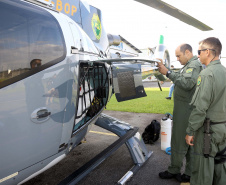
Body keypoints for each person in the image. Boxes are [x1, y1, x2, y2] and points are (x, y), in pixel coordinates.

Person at [157, 44, 203, 182]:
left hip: (185, 112)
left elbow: (187, 83)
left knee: (178, 141)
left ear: (187, 52)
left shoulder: (193, 66)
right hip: (186, 110)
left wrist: (168, 73)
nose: (177, 59)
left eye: (178, 56)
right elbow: (182, 78)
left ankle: (175, 170)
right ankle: (188, 172)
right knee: (189, 144)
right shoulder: (190, 65)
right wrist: (169, 72)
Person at [185, 37, 226, 185]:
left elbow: (200, 108)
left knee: (202, 172)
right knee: (221, 167)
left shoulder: (207, 74)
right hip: (223, 129)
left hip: (209, 131)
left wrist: (190, 131)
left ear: (207, 52)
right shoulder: (224, 71)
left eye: (199, 51)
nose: (198, 55)